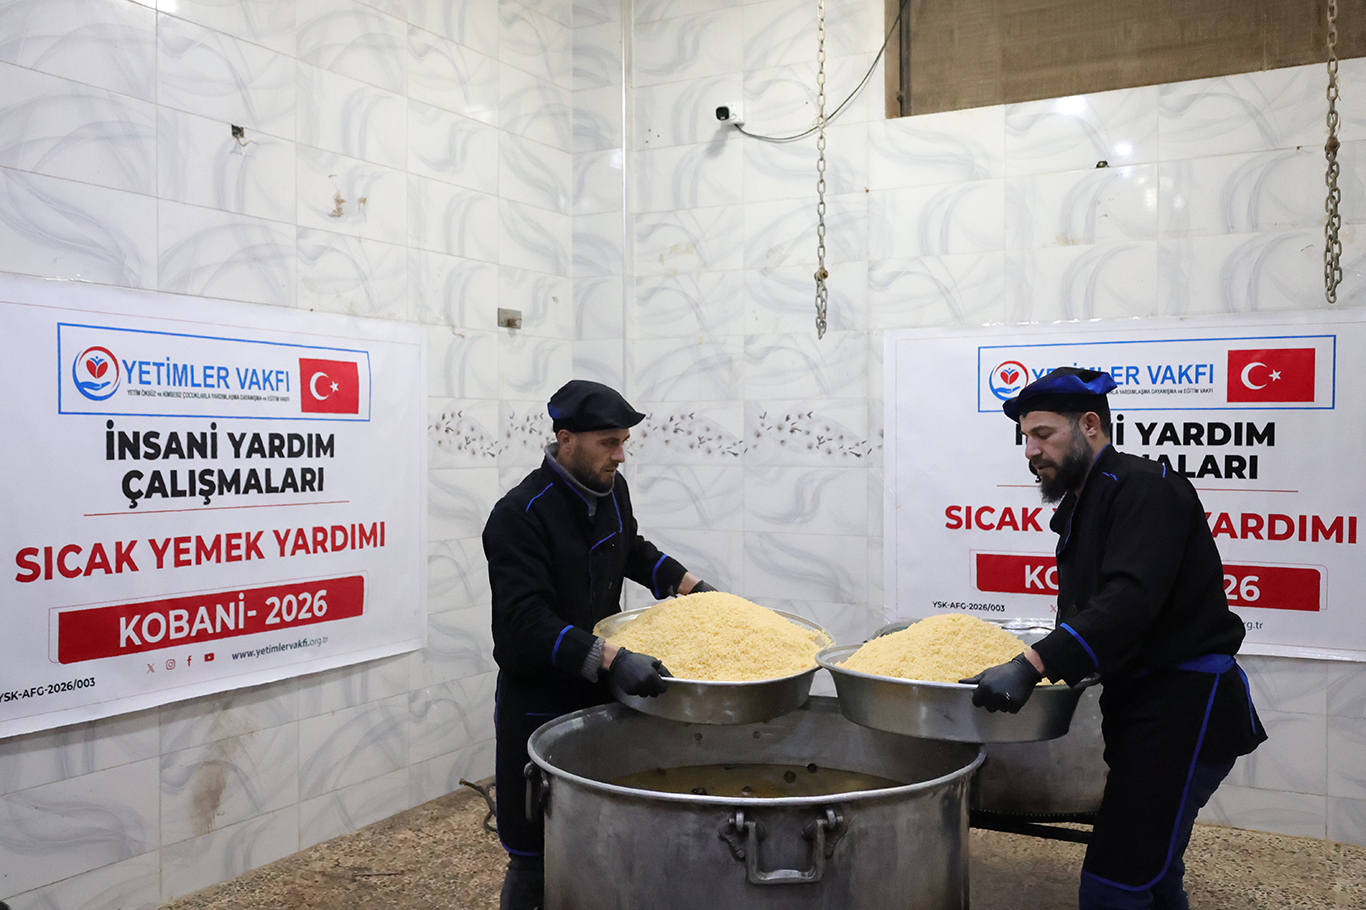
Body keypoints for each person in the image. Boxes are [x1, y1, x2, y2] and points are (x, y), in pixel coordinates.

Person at [962, 367, 1266, 910]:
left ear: (1090, 425)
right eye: (1025, 437)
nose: (1030, 450)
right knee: (1155, 868)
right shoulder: (1087, 502)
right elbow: (1094, 612)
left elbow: (1129, 602)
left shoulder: (1147, 488)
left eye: (1043, 434)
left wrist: (1032, 663)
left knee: (1114, 882)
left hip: (1185, 708)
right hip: (1142, 707)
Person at [483, 379, 716, 910]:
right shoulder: (519, 515)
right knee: (535, 849)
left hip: (601, 690)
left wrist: (691, 587)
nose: (620, 454)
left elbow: (629, 548)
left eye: (623, 441)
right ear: (566, 439)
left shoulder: (612, 491)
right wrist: (611, 657)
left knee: (602, 832)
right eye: (608, 442)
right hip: (540, 703)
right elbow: (525, 622)